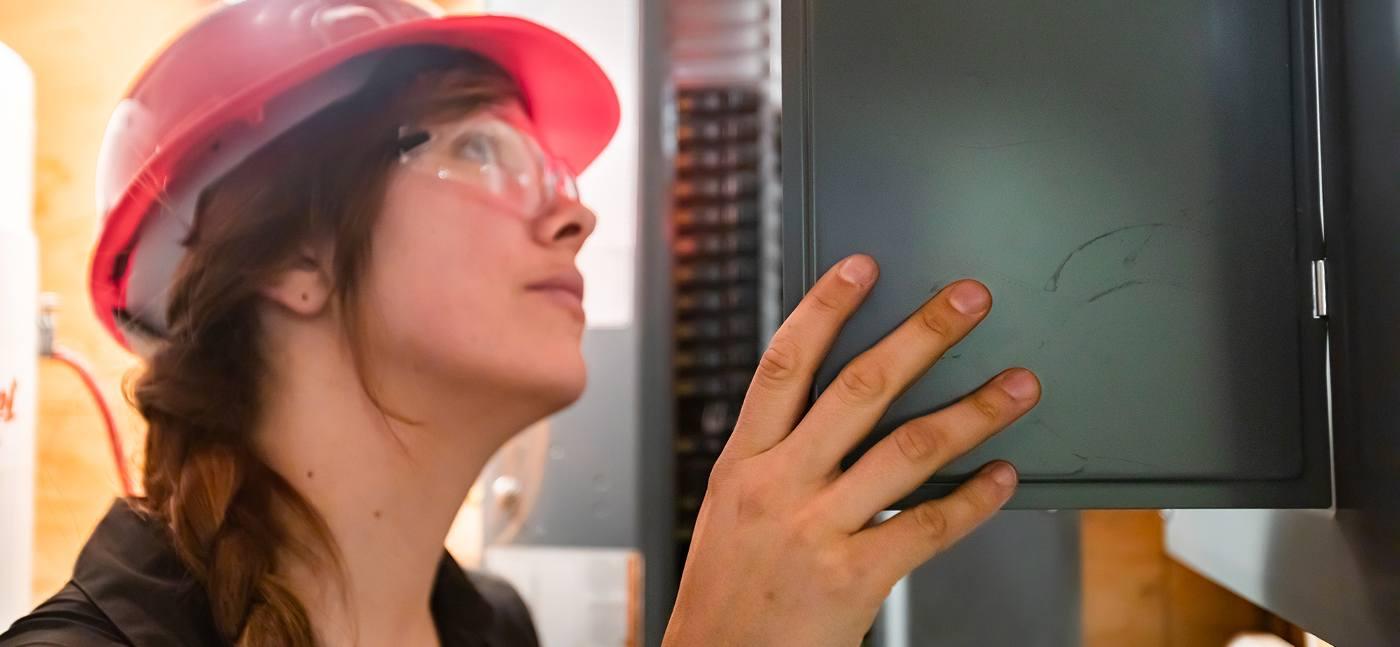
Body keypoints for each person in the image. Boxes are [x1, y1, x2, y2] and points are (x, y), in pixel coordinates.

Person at [0, 1, 1041, 646]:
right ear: (290, 255)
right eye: (475, 150)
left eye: (549, 168)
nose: (574, 211)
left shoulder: (493, 628)